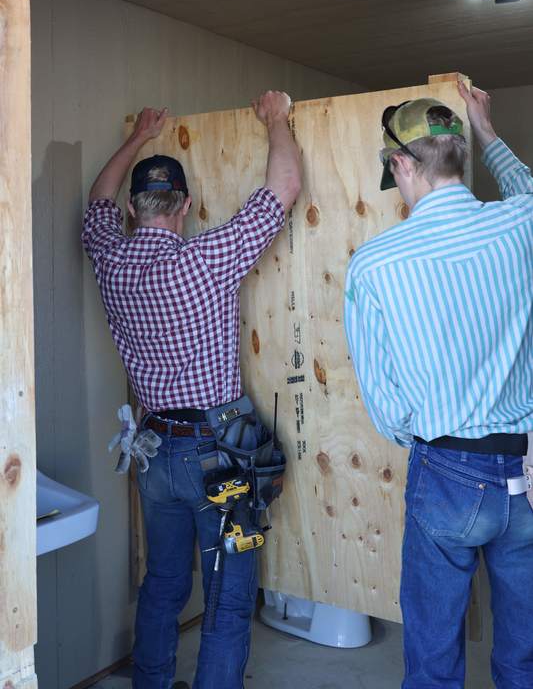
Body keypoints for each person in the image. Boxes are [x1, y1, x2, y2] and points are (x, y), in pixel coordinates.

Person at [82, 91, 301, 689]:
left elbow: (95, 201)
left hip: (154, 452)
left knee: (163, 586)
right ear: (183, 207)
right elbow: (283, 187)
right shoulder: (207, 259)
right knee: (229, 597)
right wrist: (277, 120)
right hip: (220, 451)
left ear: (135, 208)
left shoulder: (111, 261)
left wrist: (135, 139)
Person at [344, 82, 533, 689]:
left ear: (401, 164)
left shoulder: (375, 264)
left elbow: (386, 404)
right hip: (524, 468)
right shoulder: (520, 225)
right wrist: (487, 128)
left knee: (432, 661)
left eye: (394, 172)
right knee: (524, 655)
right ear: (457, 155)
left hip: (447, 467)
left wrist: (425, 427)